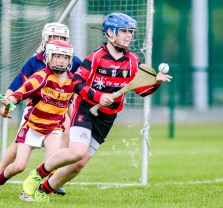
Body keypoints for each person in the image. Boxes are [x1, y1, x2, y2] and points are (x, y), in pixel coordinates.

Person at [21, 13, 173, 203]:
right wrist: (99, 96)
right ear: (110, 32)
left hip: (107, 118)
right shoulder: (96, 57)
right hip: (86, 111)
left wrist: (156, 83)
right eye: (124, 31)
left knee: (79, 165)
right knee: (77, 152)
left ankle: (43, 190)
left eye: (131, 32)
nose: (128, 36)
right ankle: (38, 174)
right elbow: (76, 83)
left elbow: (142, 91)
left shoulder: (133, 61)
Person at [0, 23, 82, 195]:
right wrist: (7, 104)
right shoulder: (35, 62)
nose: (58, 42)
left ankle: (51, 178)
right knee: (17, 148)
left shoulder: (72, 61)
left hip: (60, 108)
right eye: (54, 38)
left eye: (62, 38)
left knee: (68, 131)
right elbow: (17, 87)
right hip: (35, 110)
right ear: (44, 40)